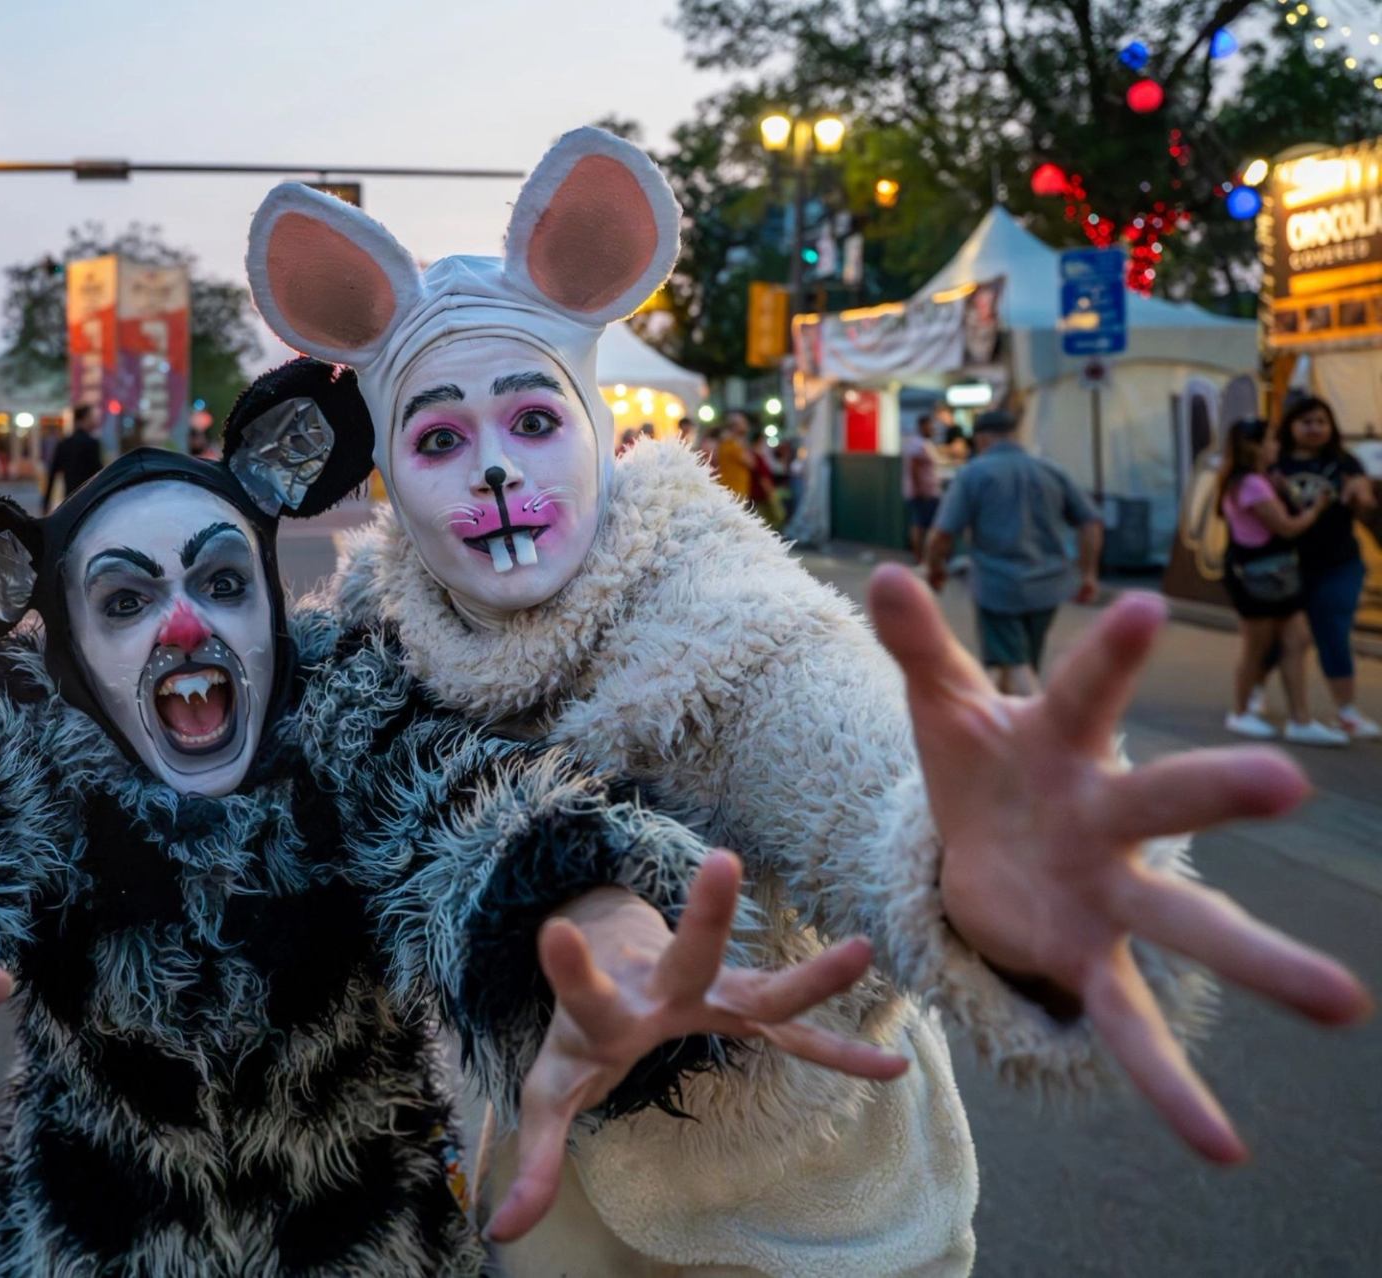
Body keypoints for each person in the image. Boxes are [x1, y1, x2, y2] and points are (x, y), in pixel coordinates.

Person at [248, 126, 1370, 1275]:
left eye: (535, 422)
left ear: (594, 433)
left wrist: (956, 864)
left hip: (818, 1218)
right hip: (544, 1210)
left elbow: (837, 742)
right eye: (440, 438)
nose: (496, 469)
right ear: (389, 472)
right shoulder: (369, 656)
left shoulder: (719, 614)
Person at [0, 366, 897, 1277]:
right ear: (66, 644)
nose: (184, 624)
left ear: (264, 602)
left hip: (372, 1245)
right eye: (123, 603)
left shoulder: (344, 703)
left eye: (216, 582)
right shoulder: (29, 730)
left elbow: (478, 815)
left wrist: (607, 930)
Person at [924, 410, 1103, 695]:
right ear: (1014, 434)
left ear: (982, 438)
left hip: (998, 587)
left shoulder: (974, 474)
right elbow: (1091, 523)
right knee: (1024, 659)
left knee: (1015, 665)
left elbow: (942, 534)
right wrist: (1088, 573)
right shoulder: (1051, 471)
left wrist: (935, 569)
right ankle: (1013, 718)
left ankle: (1031, 724)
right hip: (1047, 587)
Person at [1215, 417, 1346, 746]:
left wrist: (1284, 490)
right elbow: (1286, 526)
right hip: (1260, 575)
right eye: (1272, 440)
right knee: (1256, 648)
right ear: (1256, 446)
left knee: (1297, 641)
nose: (1278, 446)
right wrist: (1316, 510)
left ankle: (1300, 719)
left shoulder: (1255, 480)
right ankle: (1241, 712)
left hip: (1278, 574)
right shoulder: (1251, 485)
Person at [1265, 397, 1379, 740]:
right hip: (1288, 564)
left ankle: (1346, 711)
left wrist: (1362, 498)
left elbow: (1368, 510)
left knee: (1333, 629)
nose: (1315, 428)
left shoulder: (1344, 463)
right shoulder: (1276, 464)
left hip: (1339, 562)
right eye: (1306, 422)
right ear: (1291, 426)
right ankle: (1252, 693)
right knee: (1279, 637)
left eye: (1321, 422)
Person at [42, 404, 103, 513]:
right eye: (92, 417)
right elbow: (99, 474)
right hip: (89, 500)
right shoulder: (92, 443)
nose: (95, 421)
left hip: (69, 499)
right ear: (84, 418)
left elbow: (52, 474)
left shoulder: (64, 444)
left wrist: (46, 502)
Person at [902, 413, 944, 564]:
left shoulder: (925, 443)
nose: (932, 429)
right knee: (920, 526)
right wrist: (920, 490)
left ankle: (924, 556)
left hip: (928, 491)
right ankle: (920, 557)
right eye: (930, 426)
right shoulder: (917, 444)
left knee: (923, 525)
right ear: (922, 426)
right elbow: (914, 468)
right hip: (923, 493)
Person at [712, 410, 756, 502]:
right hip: (735, 491)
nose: (746, 425)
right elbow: (751, 462)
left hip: (729, 489)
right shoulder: (732, 444)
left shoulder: (724, 443)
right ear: (735, 427)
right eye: (743, 423)